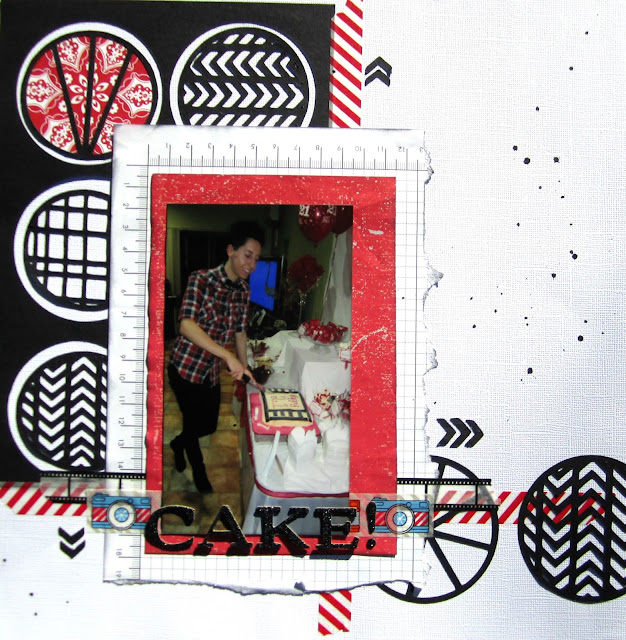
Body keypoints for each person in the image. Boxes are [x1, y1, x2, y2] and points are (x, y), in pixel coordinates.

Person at [167, 220, 264, 492]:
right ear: (231, 250)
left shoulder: (243, 291)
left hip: (209, 372)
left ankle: (177, 443)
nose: (252, 264)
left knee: (208, 426)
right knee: (192, 423)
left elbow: (240, 331)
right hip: (185, 369)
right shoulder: (201, 280)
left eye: (256, 259)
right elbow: (186, 325)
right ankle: (199, 473)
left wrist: (245, 368)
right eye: (248, 255)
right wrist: (226, 356)